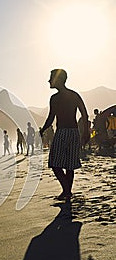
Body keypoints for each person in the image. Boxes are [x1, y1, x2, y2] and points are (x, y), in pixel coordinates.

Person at [40, 69, 89, 201]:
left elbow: (51, 117)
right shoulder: (74, 95)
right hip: (74, 132)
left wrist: (42, 130)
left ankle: (66, 190)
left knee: (55, 163)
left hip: (62, 132)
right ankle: (67, 191)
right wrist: (86, 132)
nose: (49, 81)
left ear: (58, 80)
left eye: (51, 78)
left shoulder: (55, 98)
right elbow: (84, 114)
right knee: (70, 164)